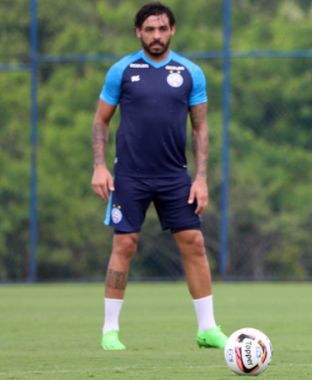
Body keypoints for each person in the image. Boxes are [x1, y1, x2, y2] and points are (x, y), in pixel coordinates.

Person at [90, 2, 227, 351]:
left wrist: (201, 178)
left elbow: (200, 128)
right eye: (149, 29)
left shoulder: (190, 72)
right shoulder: (122, 71)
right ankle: (110, 330)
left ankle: (207, 328)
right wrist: (100, 166)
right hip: (130, 176)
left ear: (172, 31)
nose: (156, 36)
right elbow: (101, 121)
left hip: (174, 177)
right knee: (124, 244)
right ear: (138, 32)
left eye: (162, 29)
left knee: (194, 244)